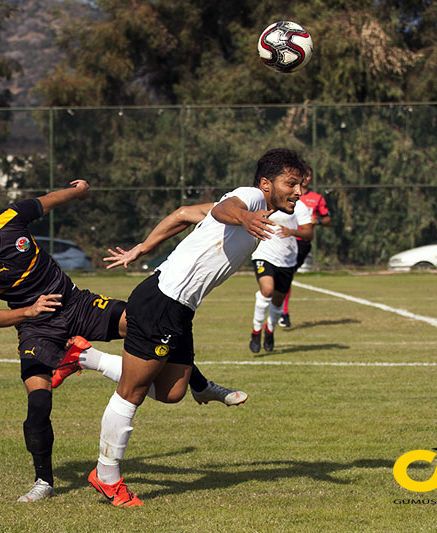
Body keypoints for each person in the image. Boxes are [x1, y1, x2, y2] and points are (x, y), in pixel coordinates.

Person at [0, 183, 247, 503]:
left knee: (151, 325)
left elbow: (48, 201)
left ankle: (198, 384)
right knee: (39, 404)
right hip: (36, 329)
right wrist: (30, 310)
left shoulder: (10, 218)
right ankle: (44, 481)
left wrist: (80, 191)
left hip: (77, 305)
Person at [89, 147, 304, 507]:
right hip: (163, 299)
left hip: (179, 308)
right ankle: (107, 475)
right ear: (267, 184)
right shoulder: (250, 199)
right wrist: (244, 218)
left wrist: (142, 247)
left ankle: (86, 357)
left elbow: (183, 214)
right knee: (132, 393)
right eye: (291, 183)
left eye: (301, 185)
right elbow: (225, 209)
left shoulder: (256, 210)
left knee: (173, 392)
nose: (298, 192)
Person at [249, 181, 313, 353]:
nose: (296, 190)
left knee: (278, 300)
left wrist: (292, 231)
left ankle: (269, 330)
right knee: (267, 290)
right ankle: (256, 331)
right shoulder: (263, 203)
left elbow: (309, 233)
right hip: (263, 254)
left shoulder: (299, 207)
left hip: (287, 259)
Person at [278, 165, 331, 327]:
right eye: (303, 176)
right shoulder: (289, 195)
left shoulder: (317, 198)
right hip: (285, 240)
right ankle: (283, 313)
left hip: (302, 242)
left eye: (308, 176)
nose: (306, 179)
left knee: (287, 276)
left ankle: (281, 310)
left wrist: (319, 221)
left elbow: (327, 219)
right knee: (284, 276)